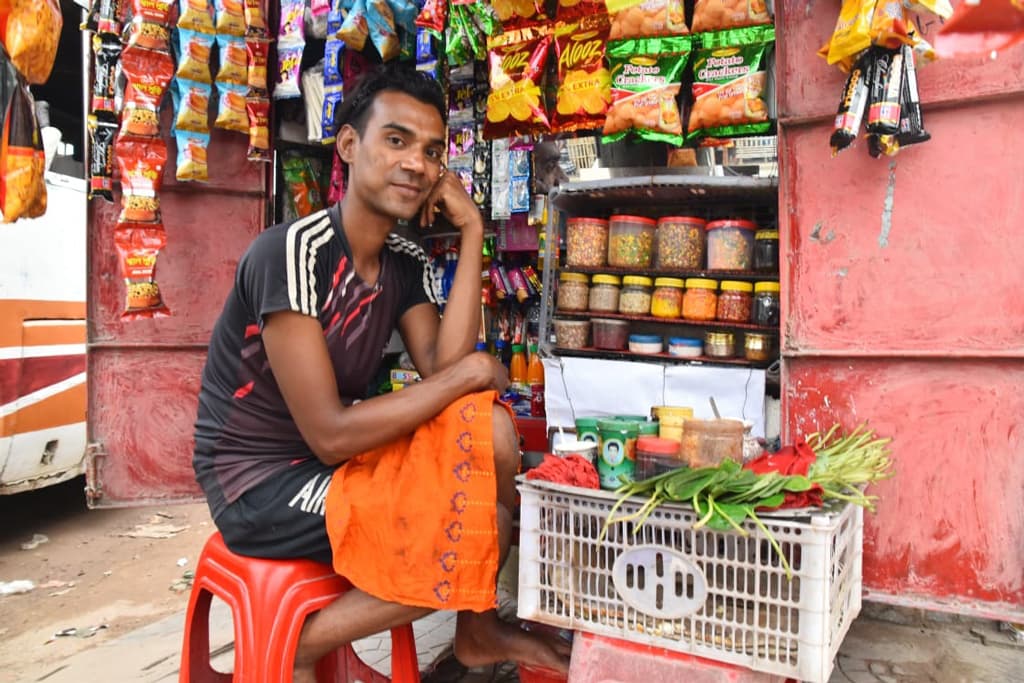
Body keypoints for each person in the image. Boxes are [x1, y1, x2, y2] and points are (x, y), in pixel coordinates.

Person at [192, 63, 569, 682]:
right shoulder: (290, 252)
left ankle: (475, 631)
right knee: (460, 520)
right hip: (256, 482)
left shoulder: (404, 260)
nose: (416, 164)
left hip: (336, 467)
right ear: (349, 146)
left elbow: (447, 373)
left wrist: (472, 228)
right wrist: (465, 376)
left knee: (493, 435)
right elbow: (332, 433)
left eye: (430, 151)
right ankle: (300, 647)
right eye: (396, 140)